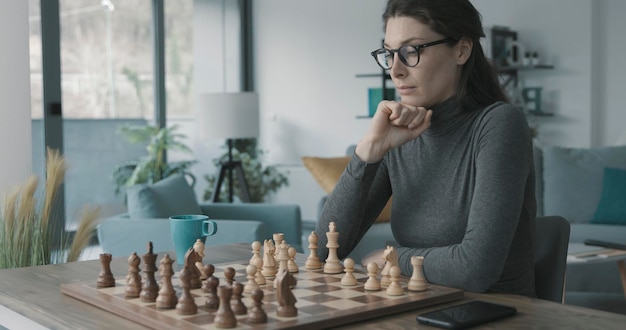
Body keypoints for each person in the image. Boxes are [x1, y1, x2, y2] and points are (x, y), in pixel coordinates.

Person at [314, 0, 536, 297]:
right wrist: (368, 151)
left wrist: (393, 258)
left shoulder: (500, 124)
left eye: (411, 50)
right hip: (416, 307)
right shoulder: (400, 136)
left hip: (497, 314)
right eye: (389, 54)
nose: (396, 70)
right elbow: (325, 248)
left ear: (462, 50)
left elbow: (476, 269)